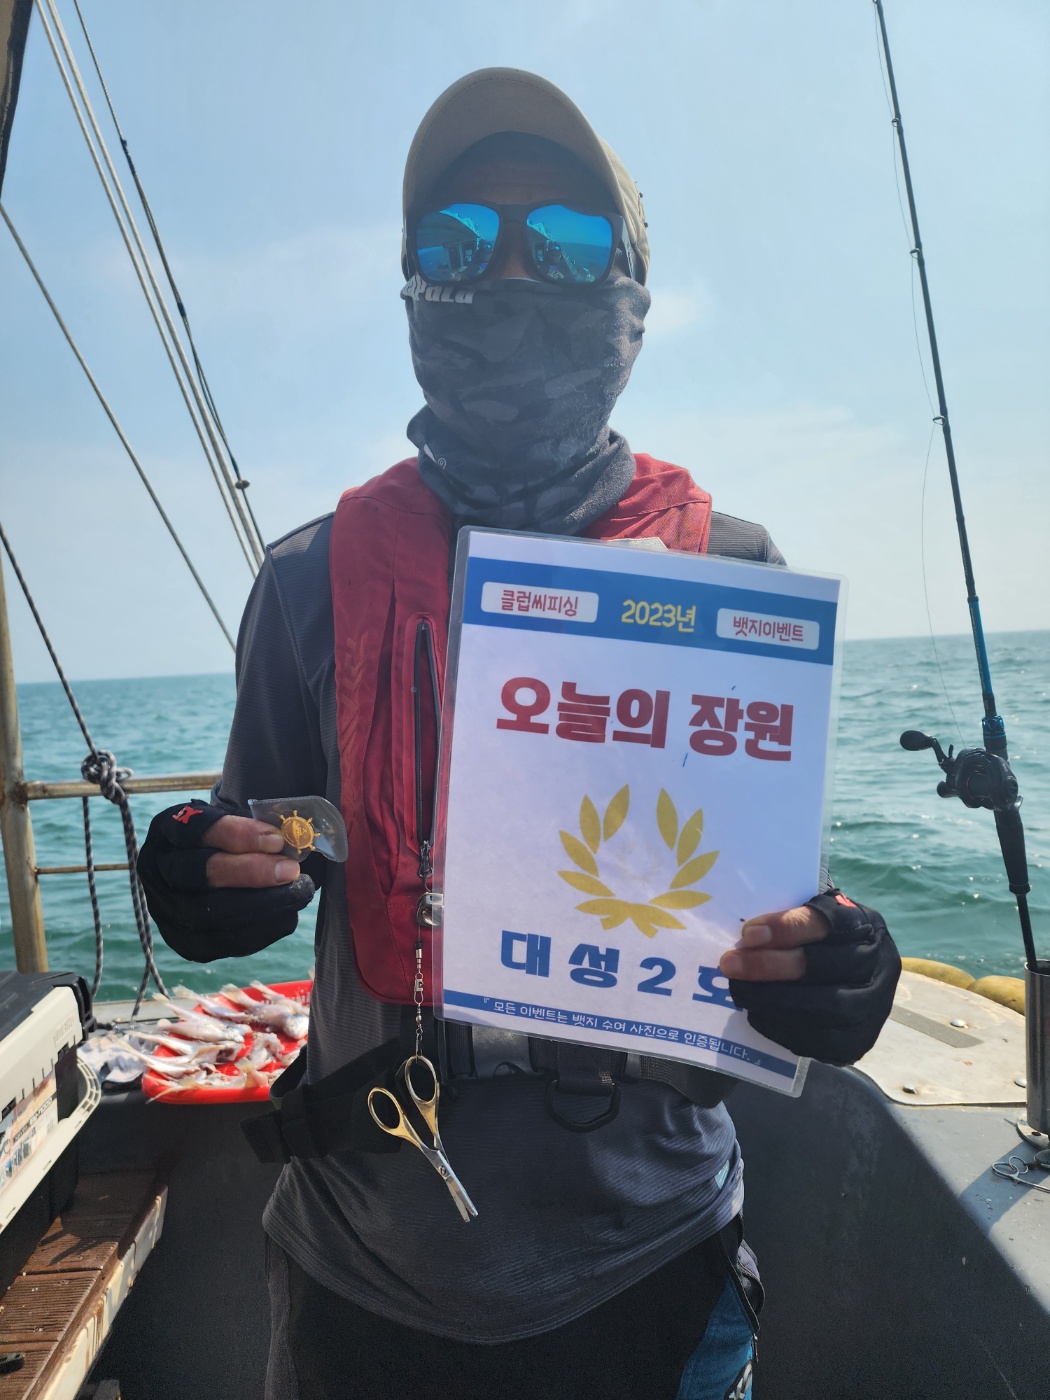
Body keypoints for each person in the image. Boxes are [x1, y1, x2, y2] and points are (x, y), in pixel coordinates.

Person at [137, 68, 900, 1400]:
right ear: (409, 288)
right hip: (358, 1271)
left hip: (654, 1264)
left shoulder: (734, 571)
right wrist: (202, 877)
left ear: (631, 295)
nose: (503, 274)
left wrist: (836, 971)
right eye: (453, 243)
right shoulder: (309, 577)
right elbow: (265, 845)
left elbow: (763, 912)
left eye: (565, 241)